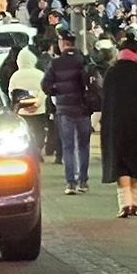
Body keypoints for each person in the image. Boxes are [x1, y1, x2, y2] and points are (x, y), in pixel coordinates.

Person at [100, 35, 137, 217]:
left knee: (119, 163)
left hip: (114, 123)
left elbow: (104, 98)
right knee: (136, 161)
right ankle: (136, 203)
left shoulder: (111, 72)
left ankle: (125, 203)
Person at [45, 33, 99, 195]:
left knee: (68, 146)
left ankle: (71, 183)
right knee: (84, 145)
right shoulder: (84, 61)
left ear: (62, 44)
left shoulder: (55, 63)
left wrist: (57, 92)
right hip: (83, 108)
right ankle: (83, 180)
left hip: (64, 109)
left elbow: (45, 85)